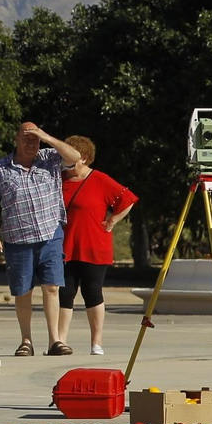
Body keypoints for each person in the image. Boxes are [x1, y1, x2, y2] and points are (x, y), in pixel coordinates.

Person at [1, 122, 82, 357]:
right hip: (17, 238)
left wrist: (45, 137)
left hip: (50, 235)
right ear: (16, 138)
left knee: (52, 287)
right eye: (26, 137)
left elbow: (75, 157)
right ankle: (26, 340)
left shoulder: (49, 158)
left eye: (34, 139)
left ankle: (55, 340)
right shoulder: (2, 168)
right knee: (22, 291)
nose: (31, 143)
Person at [55, 136, 137, 358]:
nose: (65, 163)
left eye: (70, 159)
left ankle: (96, 343)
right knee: (65, 293)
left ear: (84, 159)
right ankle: (59, 341)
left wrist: (113, 220)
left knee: (92, 292)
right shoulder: (58, 180)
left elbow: (127, 199)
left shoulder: (99, 179)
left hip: (94, 246)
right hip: (65, 246)